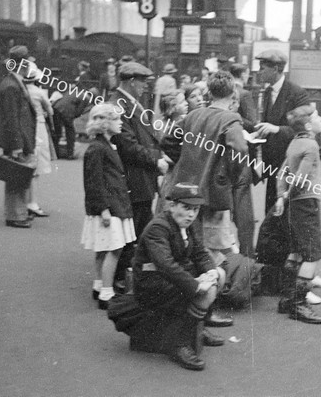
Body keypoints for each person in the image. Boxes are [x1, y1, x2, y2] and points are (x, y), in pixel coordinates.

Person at [172, 71, 248, 327]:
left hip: (186, 189)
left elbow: (168, 141)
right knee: (211, 252)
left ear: (209, 92)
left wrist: (185, 162)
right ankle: (205, 309)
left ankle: (194, 305)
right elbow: (239, 151)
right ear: (232, 94)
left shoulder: (193, 115)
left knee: (192, 246)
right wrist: (228, 175)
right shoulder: (230, 119)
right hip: (213, 194)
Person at [132, 183, 226, 371]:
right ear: (172, 205)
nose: (191, 214)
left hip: (170, 278)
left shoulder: (185, 224)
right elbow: (166, 265)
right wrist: (195, 285)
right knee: (204, 293)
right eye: (186, 208)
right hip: (152, 284)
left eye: (195, 209)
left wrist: (211, 271)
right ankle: (180, 345)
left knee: (220, 275)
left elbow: (199, 252)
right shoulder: (158, 228)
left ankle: (198, 328)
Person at [109, 61, 171, 287]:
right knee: (133, 229)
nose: (146, 86)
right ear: (131, 81)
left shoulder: (128, 103)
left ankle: (130, 275)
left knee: (139, 227)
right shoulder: (119, 105)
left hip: (140, 177)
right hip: (133, 178)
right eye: (143, 81)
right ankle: (120, 278)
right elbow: (128, 146)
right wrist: (157, 160)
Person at [273, 104, 321, 324]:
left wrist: (281, 196)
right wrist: (288, 195)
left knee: (295, 251)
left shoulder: (294, 142)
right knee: (312, 254)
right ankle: (298, 304)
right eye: (316, 117)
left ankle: (287, 298)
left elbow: (282, 173)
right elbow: (302, 179)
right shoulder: (311, 145)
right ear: (308, 125)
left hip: (294, 204)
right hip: (306, 202)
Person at [81, 104, 136, 309]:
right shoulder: (97, 149)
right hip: (109, 208)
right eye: (117, 119)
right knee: (114, 249)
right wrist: (103, 209)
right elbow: (93, 182)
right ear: (105, 124)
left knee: (103, 249)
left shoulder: (105, 145)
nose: (121, 122)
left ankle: (99, 285)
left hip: (112, 205)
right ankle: (106, 292)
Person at [254, 49, 310, 214]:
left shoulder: (297, 93)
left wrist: (277, 129)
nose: (259, 72)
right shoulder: (267, 92)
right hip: (271, 162)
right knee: (271, 213)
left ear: (276, 69)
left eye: (262, 68)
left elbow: (305, 129)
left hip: (289, 163)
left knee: (286, 212)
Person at [0, 46, 37, 229]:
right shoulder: (12, 86)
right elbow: (11, 119)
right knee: (15, 178)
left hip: (20, 139)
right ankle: (15, 216)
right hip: (17, 140)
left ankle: (18, 213)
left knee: (19, 178)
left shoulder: (13, 82)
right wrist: (17, 145)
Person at [229, 63, 258, 256]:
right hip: (241, 156)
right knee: (244, 216)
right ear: (244, 74)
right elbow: (253, 124)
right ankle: (247, 256)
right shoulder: (245, 94)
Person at [24, 60, 55, 218]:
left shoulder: (22, 91)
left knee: (28, 164)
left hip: (27, 128)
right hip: (39, 126)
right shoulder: (39, 92)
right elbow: (50, 110)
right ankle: (33, 203)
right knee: (36, 166)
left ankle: (26, 201)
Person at [51, 79, 95, 160]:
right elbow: (78, 112)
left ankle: (55, 153)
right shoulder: (86, 98)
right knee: (70, 132)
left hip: (56, 108)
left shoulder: (73, 91)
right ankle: (70, 154)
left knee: (57, 133)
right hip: (66, 112)